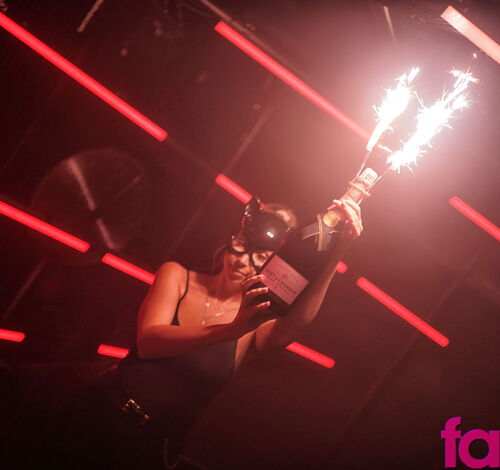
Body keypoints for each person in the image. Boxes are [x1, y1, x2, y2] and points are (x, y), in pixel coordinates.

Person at [42, 197, 362, 469]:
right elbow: (149, 343)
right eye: (242, 245)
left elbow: (299, 322)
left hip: (146, 450)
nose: (242, 262)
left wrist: (337, 253)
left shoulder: (255, 325)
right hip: (96, 415)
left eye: (260, 257)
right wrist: (229, 330)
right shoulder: (178, 276)